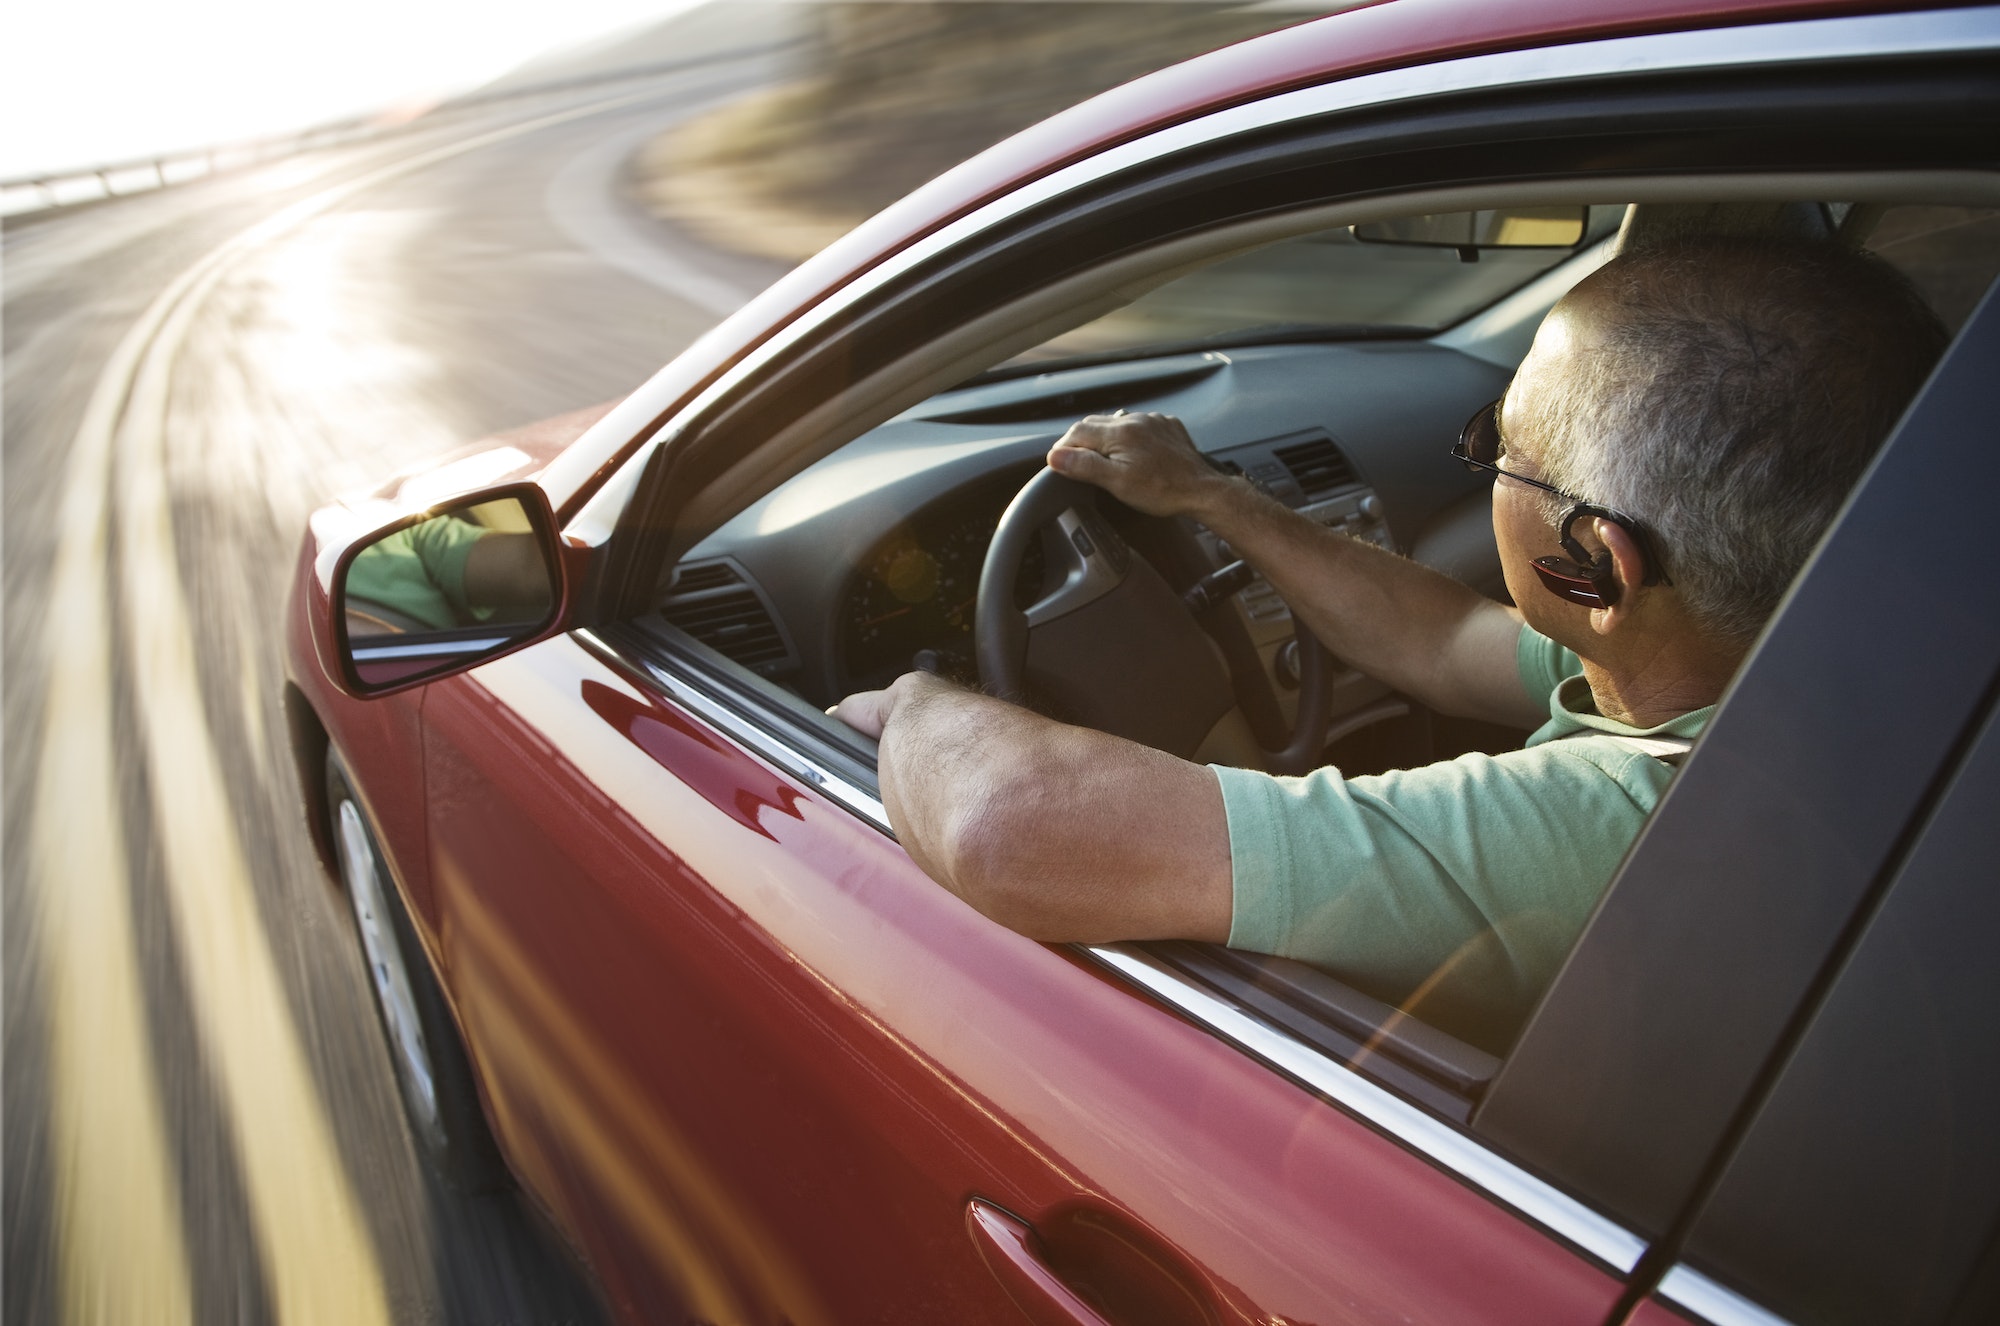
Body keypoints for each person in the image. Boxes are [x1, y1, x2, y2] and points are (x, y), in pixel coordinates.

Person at [832, 236, 1947, 1052]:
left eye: (1494, 449)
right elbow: (1446, 638)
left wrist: (913, 704)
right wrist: (1216, 500)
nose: (1484, 461)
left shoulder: (1630, 831)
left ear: (1592, 563)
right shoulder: (1802, 667)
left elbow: (1012, 831)